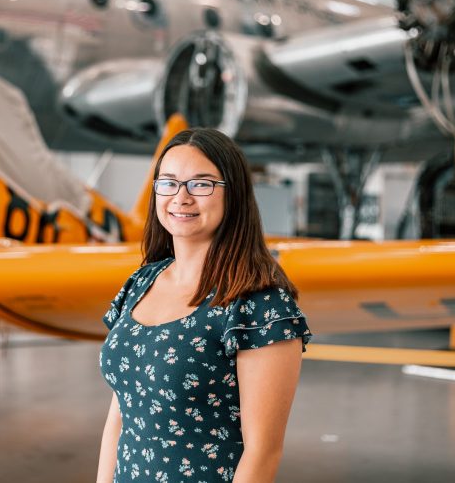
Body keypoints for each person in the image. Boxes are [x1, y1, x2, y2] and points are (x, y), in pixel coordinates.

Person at [97, 128, 312, 483]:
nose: (181, 198)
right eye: (168, 183)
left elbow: (263, 452)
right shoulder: (141, 283)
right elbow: (121, 410)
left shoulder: (258, 305)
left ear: (235, 195)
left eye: (201, 184)